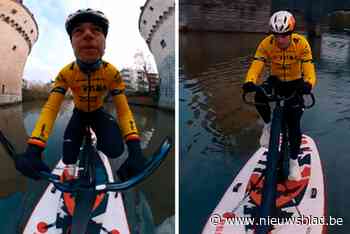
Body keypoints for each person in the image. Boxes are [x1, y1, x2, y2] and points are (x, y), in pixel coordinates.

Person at [15, 9, 147, 181]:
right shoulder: (65, 73)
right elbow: (51, 109)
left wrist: (135, 150)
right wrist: (34, 149)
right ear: (71, 43)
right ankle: (72, 163)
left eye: (96, 30)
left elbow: (123, 110)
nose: (87, 35)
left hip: (98, 113)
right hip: (79, 114)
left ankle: (97, 141)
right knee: (69, 156)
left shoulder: (112, 73)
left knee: (115, 149)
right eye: (78, 31)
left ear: (105, 42)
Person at [242, 10, 316, 181]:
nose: (280, 39)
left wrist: (308, 84)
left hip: (295, 82)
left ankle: (293, 163)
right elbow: (257, 63)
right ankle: (268, 125)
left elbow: (309, 68)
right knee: (259, 96)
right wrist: (249, 81)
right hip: (276, 81)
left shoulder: (302, 44)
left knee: (294, 125)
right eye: (277, 35)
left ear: (291, 33)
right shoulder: (266, 44)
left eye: (284, 35)